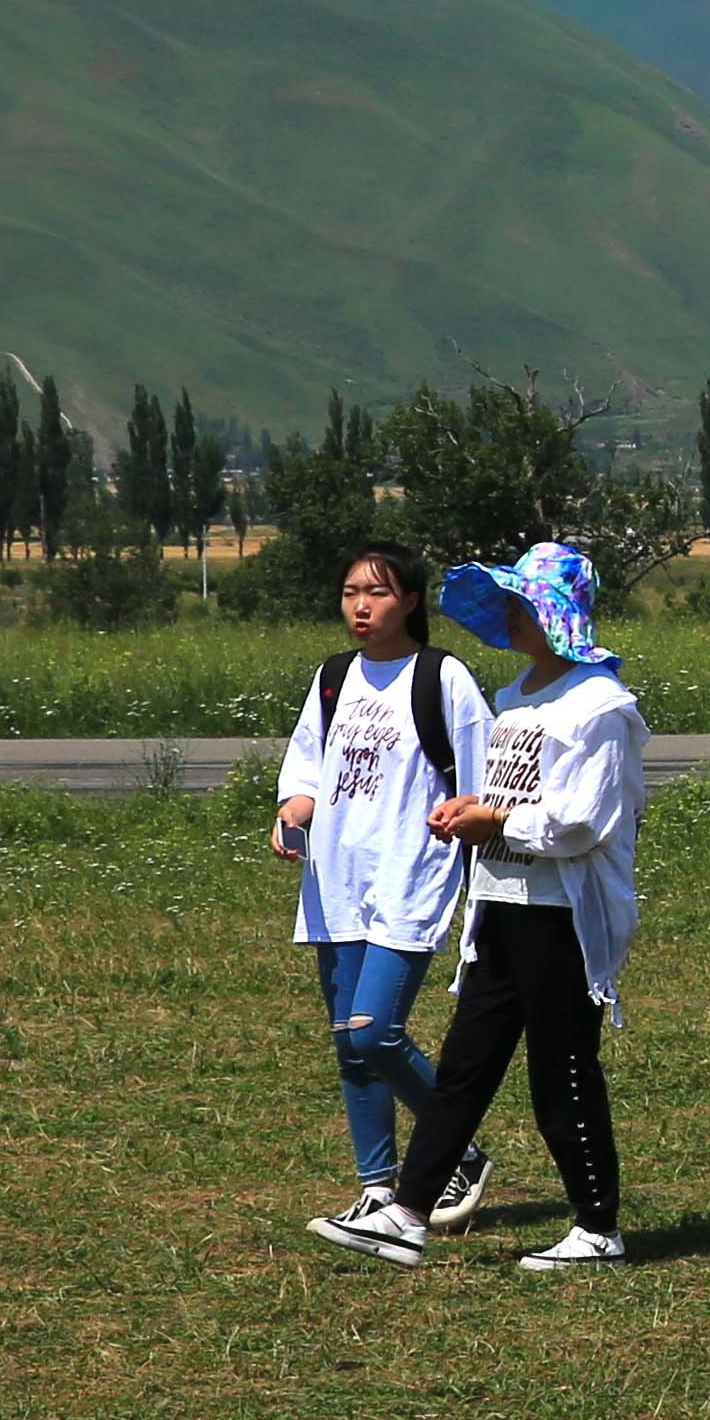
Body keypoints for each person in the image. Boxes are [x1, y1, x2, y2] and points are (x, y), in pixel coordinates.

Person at [316, 542, 646, 1269]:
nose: (509, 616)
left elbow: (583, 821)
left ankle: (599, 1228)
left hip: (561, 914)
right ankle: (407, 1214)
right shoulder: (519, 695)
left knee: (560, 1074)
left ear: (558, 616)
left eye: (522, 605)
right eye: (507, 603)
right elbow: (515, 796)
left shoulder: (601, 707)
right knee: (465, 1067)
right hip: (500, 901)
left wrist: (494, 821)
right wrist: (475, 807)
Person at [271, 540, 491, 1229]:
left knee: (374, 1031)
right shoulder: (335, 677)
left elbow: (482, 778)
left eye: (379, 593)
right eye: (350, 594)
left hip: (409, 875)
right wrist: (293, 810)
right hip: (336, 877)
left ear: (413, 601)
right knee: (347, 1038)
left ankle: (458, 1151)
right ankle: (377, 1186)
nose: (362, 607)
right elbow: (306, 766)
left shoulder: (442, 677)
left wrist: (469, 816)